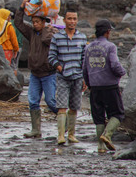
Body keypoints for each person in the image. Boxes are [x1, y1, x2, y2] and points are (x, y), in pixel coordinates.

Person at [15, 0, 58, 139]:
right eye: (33, 22)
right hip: (35, 74)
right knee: (33, 101)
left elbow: (46, 39)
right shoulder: (32, 33)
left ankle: (66, 123)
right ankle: (36, 130)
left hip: (48, 74)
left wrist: (46, 27)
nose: (34, 24)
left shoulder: (51, 33)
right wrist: (22, 6)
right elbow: (18, 23)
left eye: (37, 22)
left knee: (51, 101)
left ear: (44, 22)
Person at [83, 19, 126, 152]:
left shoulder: (88, 47)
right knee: (118, 114)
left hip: (95, 87)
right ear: (108, 32)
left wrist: (89, 84)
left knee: (99, 117)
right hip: (110, 86)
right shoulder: (110, 47)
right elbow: (114, 64)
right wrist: (122, 72)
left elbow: (84, 69)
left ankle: (100, 147)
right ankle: (107, 135)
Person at [49, 9, 87, 145]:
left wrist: (84, 78)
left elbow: (84, 59)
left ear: (77, 20)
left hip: (77, 77)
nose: (72, 21)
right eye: (69, 18)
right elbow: (51, 57)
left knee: (74, 107)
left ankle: (71, 134)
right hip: (63, 77)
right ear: (64, 20)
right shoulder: (57, 37)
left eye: (74, 19)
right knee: (61, 107)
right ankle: (60, 136)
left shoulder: (82, 37)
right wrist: (60, 68)